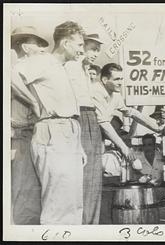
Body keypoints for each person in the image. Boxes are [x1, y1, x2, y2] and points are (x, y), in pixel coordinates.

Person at [11, 21, 86, 225]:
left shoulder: (60, 67)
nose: (82, 50)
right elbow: (11, 75)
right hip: (53, 131)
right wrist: (32, 100)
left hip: (69, 133)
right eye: (79, 45)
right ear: (65, 42)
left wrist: (78, 146)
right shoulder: (44, 61)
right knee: (59, 204)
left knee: (72, 202)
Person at [10, 26, 49, 224]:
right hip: (20, 136)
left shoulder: (34, 73)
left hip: (34, 135)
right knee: (23, 191)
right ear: (25, 47)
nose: (42, 49)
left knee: (35, 190)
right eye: (38, 45)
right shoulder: (14, 71)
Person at [64, 33, 104, 224]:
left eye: (98, 50)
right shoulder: (72, 66)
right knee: (85, 175)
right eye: (91, 48)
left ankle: (90, 224)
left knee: (94, 177)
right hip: (80, 116)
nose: (95, 53)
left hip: (90, 117)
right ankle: (84, 225)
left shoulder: (85, 70)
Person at [91, 63, 164, 162]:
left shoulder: (115, 94)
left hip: (97, 137)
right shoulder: (95, 91)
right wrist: (124, 148)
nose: (120, 83)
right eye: (117, 79)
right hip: (85, 135)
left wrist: (155, 127)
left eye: (121, 79)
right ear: (104, 80)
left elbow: (130, 112)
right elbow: (104, 123)